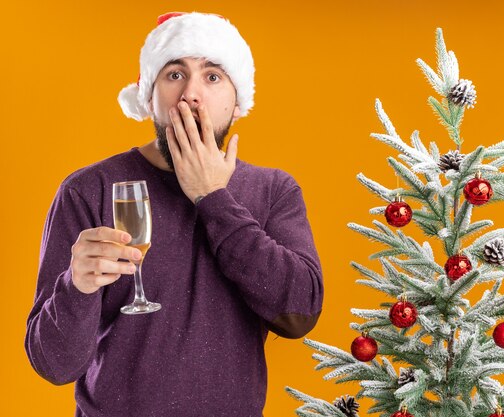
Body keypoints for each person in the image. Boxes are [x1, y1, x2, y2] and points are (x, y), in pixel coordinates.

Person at [24, 11, 324, 417]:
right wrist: (76, 286)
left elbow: (299, 316)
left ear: (238, 104)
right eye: (174, 74)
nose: (191, 94)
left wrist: (212, 196)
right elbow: (54, 364)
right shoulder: (88, 190)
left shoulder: (273, 191)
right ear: (150, 96)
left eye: (213, 76)